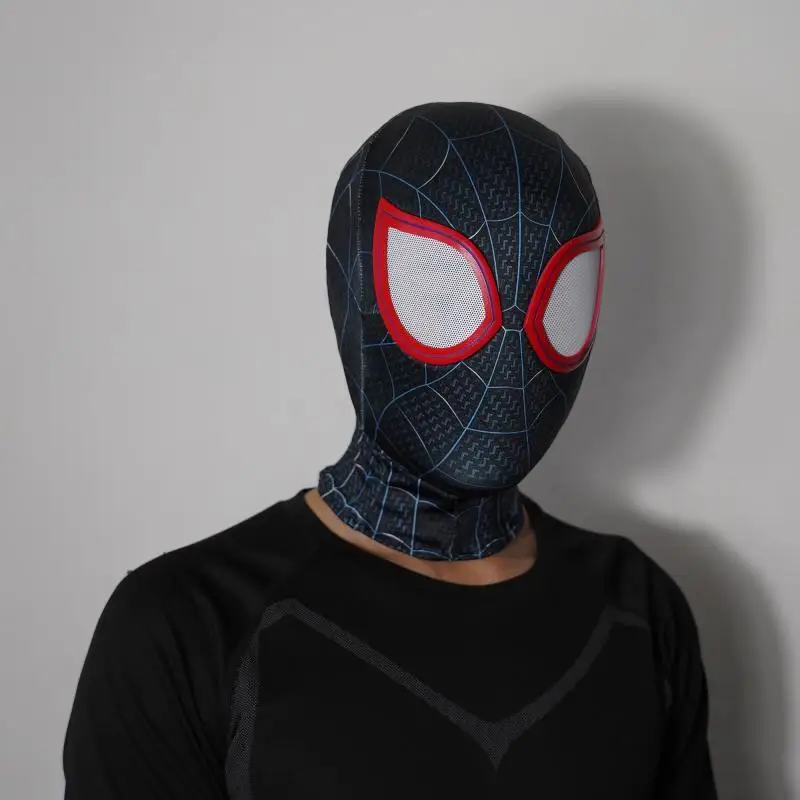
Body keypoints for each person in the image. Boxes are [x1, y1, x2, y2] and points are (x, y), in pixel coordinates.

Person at [63, 102, 717, 799]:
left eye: (561, 293)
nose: (510, 354)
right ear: (352, 291)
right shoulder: (185, 626)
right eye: (441, 287)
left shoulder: (641, 607)